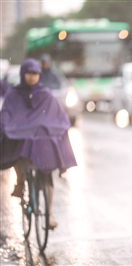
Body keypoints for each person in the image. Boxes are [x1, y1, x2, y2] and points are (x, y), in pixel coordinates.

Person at [0, 58, 77, 229]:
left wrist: (59, 128)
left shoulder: (45, 94)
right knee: (17, 151)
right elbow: (6, 115)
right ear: (23, 74)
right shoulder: (14, 94)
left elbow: (59, 115)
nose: (32, 77)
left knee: (47, 175)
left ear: (39, 75)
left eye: (35, 74)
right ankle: (20, 182)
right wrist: (7, 128)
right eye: (29, 73)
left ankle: (49, 214)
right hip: (21, 137)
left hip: (42, 142)